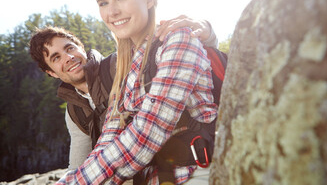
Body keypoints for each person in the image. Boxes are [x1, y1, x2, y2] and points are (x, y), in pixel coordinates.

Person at [56, 0, 218, 185]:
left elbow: (148, 131)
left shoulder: (177, 39)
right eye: (103, 3)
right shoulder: (124, 66)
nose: (112, 11)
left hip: (200, 172)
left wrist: (78, 182)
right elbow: (109, 136)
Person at [29, 17, 217, 171]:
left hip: (186, 162)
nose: (68, 58)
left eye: (69, 48)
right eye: (56, 58)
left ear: (81, 48)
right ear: (52, 73)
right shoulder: (74, 112)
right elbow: (78, 164)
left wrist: (206, 30)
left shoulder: (119, 64)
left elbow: (180, 50)